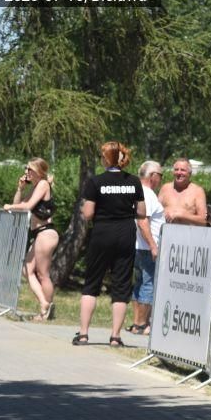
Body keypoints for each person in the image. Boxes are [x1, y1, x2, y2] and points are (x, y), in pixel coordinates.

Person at [73, 141, 147, 347]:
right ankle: (115, 336)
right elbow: (142, 212)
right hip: (125, 234)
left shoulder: (96, 182)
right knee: (121, 285)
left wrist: (87, 208)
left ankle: (83, 334)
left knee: (92, 283)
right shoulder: (133, 181)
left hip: (102, 233)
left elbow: (88, 214)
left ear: (106, 159)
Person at [4, 158, 59, 321]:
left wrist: (10, 207)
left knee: (43, 274)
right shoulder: (36, 187)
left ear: (39, 172)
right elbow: (19, 205)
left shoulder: (43, 184)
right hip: (39, 234)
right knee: (27, 270)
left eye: (30, 169)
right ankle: (45, 304)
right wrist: (19, 189)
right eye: (26, 168)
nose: (26, 172)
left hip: (46, 233)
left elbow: (26, 207)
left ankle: (46, 309)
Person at [128, 160, 165, 335]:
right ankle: (142, 324)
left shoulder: (136, 191)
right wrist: (153, 245)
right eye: (161, 175)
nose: (161, 179)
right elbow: (143, 221)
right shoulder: (147, 194)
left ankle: (136, 322)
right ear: (153, 176)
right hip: (145, 247)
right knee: (148, 284)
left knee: (139, 283)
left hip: (136, 245)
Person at [159, 157, 207, 226]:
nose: (179, 172)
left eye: (183, 170)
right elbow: (154, 212)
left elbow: (204, 220)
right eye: (176, 169)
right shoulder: (165, 188)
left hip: (187, 231)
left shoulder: (198, 191)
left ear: (189, 173)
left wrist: (182, 215)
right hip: (165, 230)